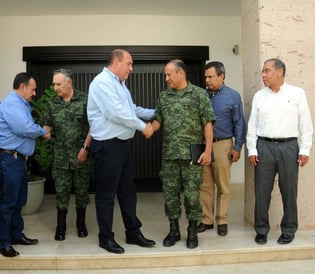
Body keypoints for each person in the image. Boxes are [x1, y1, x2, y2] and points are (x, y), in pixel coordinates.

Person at [87, 49, 156, 254]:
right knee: (106, 194)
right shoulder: (102, 83)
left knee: (127, 191)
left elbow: (130, 109)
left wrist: (156, 112)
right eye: (129, 64)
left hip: (122, 145)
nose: (131, 69)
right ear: (116, 62)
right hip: (107, 146)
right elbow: (116, 113)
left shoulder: (120, 84)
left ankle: (133, 233)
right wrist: (144, 127)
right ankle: (105, 238)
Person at [247, 58, 313, 245]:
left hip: (289, 147)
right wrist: (252, 148)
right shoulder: (260, 96)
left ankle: (289, 230)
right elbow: (252, 125)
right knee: (261, 191)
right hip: (264, 147)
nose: (263, 75)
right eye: (263, 71)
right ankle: (261, 230)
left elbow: (305, 123)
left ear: (280, 72)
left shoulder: (297, 94)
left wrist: (305, 148)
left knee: (289, 191)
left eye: (267, 71)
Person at [151, 59, 216, 249]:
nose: (166, 78)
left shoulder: (198, 95)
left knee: (192, 196)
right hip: (170, 156)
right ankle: (173, 230)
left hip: (192, 157)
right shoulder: (164, 97)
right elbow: (158, 121)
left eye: (169, 74)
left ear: (181, 73)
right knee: (170, 196)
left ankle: (193, 231)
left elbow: (208, 124)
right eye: (165, 74)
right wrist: (147, 128)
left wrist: (208, 151)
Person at [0, 72, 50, 257]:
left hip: (17, 161)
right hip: (8, 160)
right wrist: (42, 131)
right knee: (8, 203)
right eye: (32, 89)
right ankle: (3, 243)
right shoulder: (12, 103)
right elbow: (23, 128)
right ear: (22, 87)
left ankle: (16, 235)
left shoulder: (21, 104)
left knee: (18, 202)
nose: (34, 93)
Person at [197, 61, 246, 237]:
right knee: (205, 185)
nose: (207, 80)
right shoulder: (201, 95)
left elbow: (239, 122)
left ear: (221, 76)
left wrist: (238, 146)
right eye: (206, 77)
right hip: (203, 146)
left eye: (211, 77)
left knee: (223, 185)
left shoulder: (233, 96)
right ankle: (206, 220)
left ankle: (222, 220)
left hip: (223, 144)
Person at [46, 69, 92, 241]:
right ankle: (61, 227)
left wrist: (85, 148)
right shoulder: (52, 103)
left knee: (81, 191)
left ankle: (81, 224)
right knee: (61, 192)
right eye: (54, 84)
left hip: (81, 155)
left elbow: (92, 126)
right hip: (61, 157)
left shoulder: (85, 100)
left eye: (58, 84)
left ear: (69, 83)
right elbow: (47, 126)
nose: (55, 87)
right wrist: (41, 132)